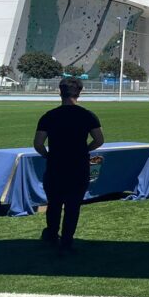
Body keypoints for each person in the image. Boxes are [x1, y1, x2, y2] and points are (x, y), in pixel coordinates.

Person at [33, 77, 105, 256]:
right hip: (78, 164)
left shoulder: (49, 116)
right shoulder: (87, 115)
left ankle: (51, 235)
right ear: (79, 93)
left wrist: (47, 155)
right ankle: (67, 241)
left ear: (60, 92)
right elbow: (99, 139)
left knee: (54, 203)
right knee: (73, 206)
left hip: (56, 164)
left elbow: (38, 143)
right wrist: (85, 149)